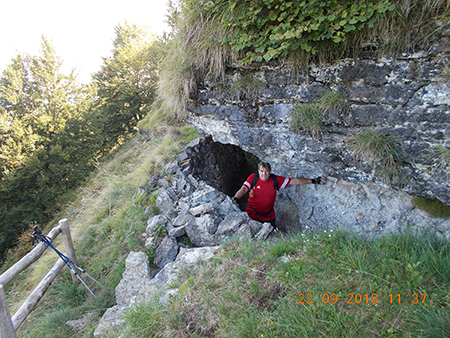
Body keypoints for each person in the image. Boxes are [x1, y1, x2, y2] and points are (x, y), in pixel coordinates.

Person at [232, 161, 326, 229]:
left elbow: (293, 181)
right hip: (252, 214)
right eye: (262, 171)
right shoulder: (253, 178)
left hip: (268, 216)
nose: (264, 174)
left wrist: (313, 181)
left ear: (270, 171)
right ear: (258, 171)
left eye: (267, 171)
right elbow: (244, 188)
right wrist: (236, 198)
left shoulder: (275, 180)